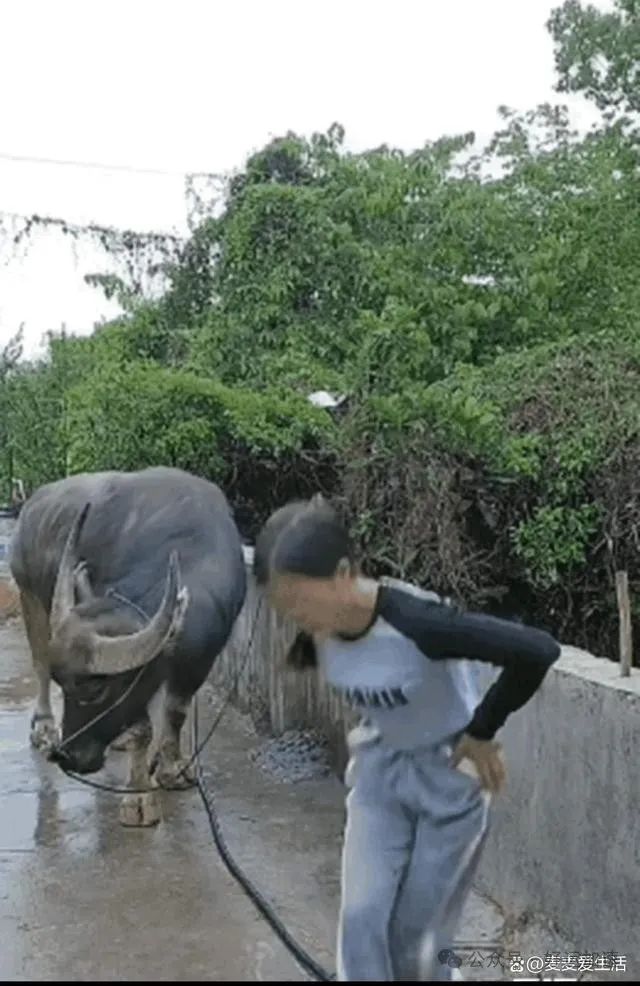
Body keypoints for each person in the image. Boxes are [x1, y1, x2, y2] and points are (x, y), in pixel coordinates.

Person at [253, 495, 561, 982]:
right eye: (283, 605)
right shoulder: (316, 632)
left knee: (415, 943)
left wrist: (483, 730)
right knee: (360, 922)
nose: (293, 615)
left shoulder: (420, 625)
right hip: (381, 773)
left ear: (341, 574)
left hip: (447, 778)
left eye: (298, 599)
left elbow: (538, 651)